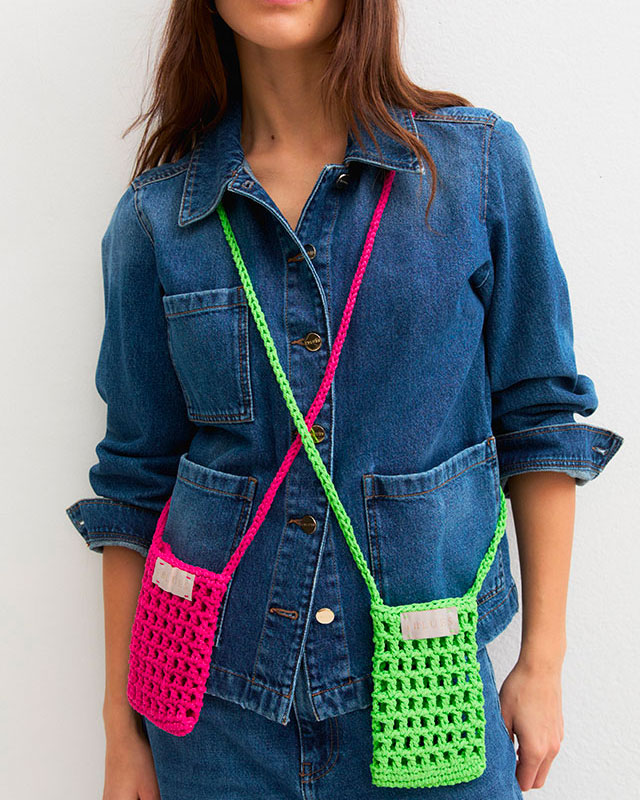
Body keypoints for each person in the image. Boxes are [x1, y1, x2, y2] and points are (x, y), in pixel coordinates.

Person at [65, 1, 624, 798]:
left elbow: (538, 424)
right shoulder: (158, 219)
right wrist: (121, 733)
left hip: (429, 702)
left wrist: (543, 663)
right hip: (210, 720)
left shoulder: (472, 169)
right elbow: (134, 484)